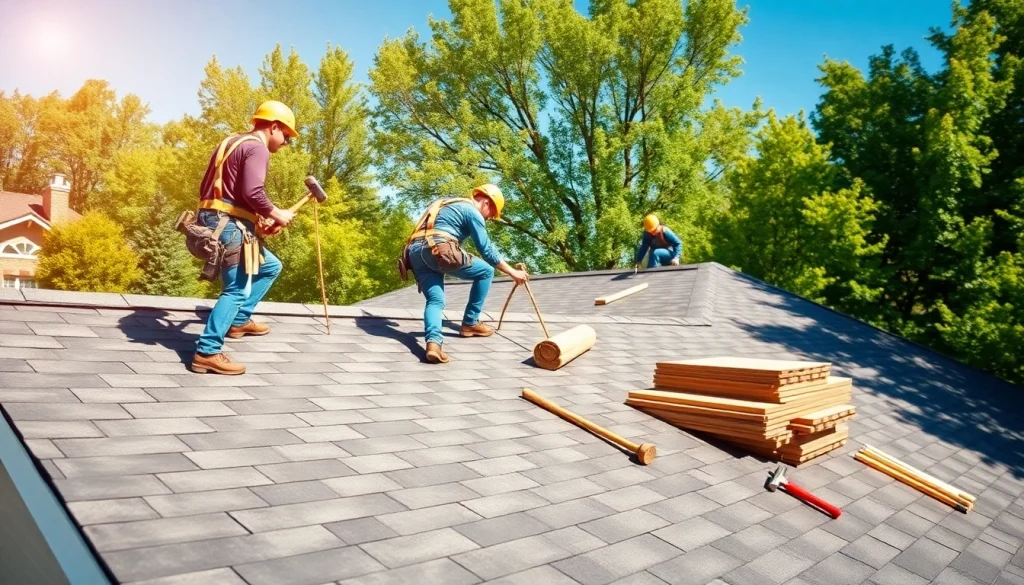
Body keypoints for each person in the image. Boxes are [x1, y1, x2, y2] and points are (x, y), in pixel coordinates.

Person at [190, 100, 299, 375]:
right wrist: (277, 213)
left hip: (213, 218)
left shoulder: (232, 142)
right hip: (227, 225)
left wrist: (258, 219)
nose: (286, 142)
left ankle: (238, 320)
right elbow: (253, 192)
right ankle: (208, 351)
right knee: (237, 289)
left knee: (271, 266)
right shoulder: (258, 148)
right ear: (273, 127)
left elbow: (228, 192)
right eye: (286, 136)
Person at [405, 184, 529, 364]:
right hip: (440, 249)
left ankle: (433, 344)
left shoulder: (447, 203)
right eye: (491, 214)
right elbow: (486, 249)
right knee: (486, 271)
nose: (489, 218)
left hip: (414, 253)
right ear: (487, 202)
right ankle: (470, 323)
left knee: (435, 301)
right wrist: (512, 272)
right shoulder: (472, 211)